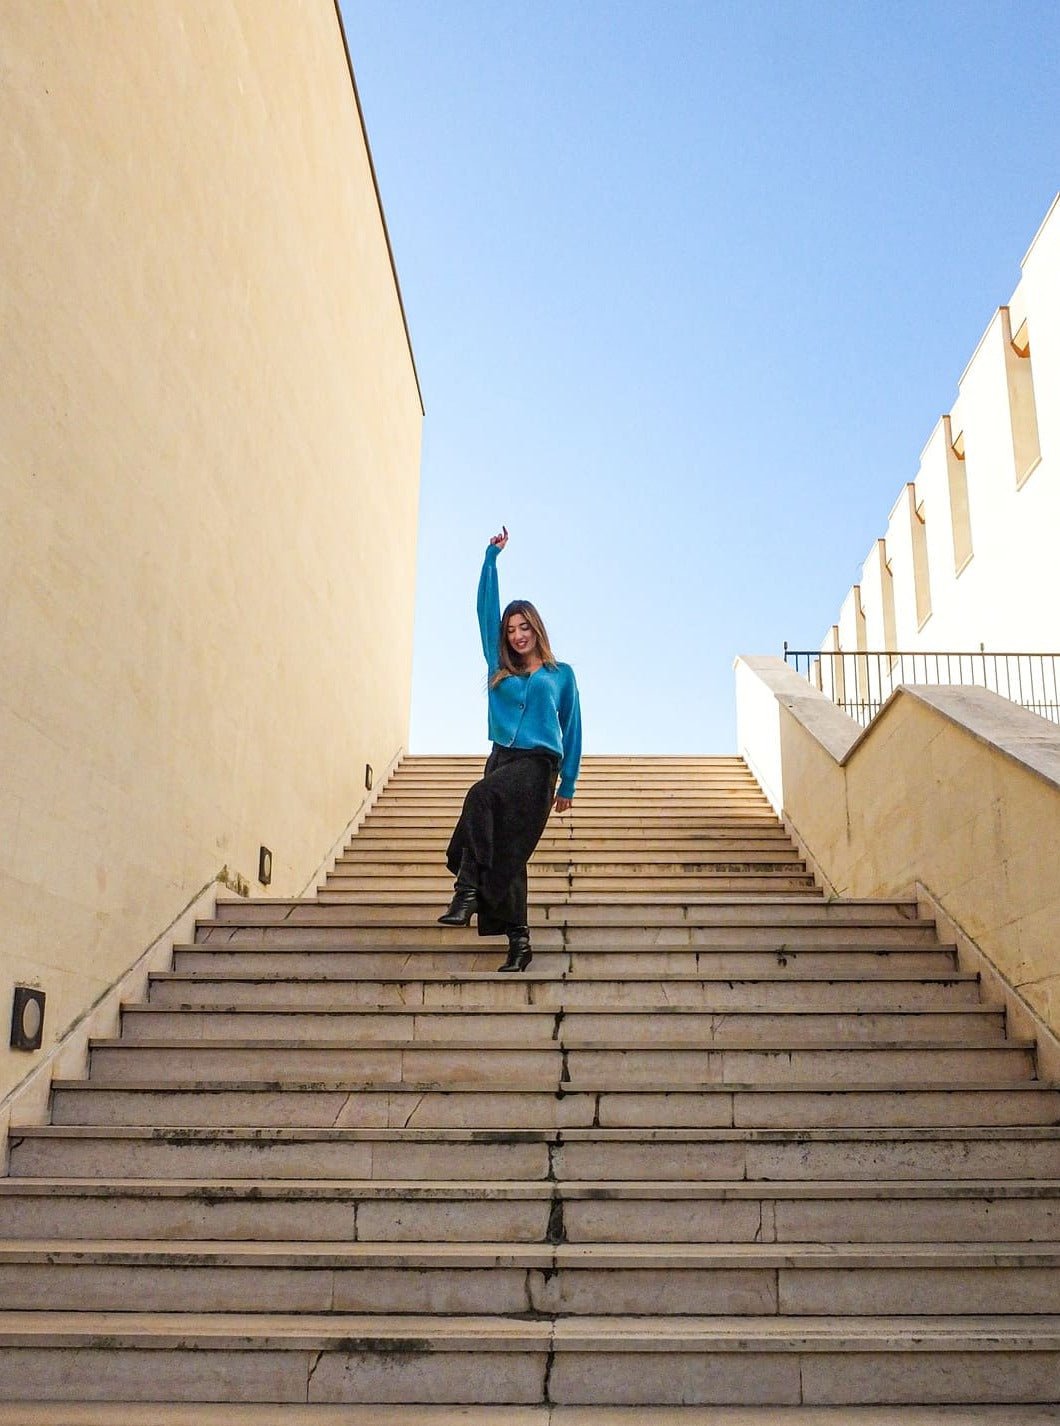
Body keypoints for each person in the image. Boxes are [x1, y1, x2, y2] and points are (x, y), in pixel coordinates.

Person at [438, 526, 582, 972]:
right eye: (511, 628)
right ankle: (519, 942)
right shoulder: (498, 666)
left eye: (525, 627)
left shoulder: (561, 674)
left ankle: (466, 894)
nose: (518, 635)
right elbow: (484, 612)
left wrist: (569, 783)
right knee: (506, 853)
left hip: (538, 767)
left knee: (479, 798)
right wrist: (489, 560)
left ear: (537, 629)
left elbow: (572, 727)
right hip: (501, 760)